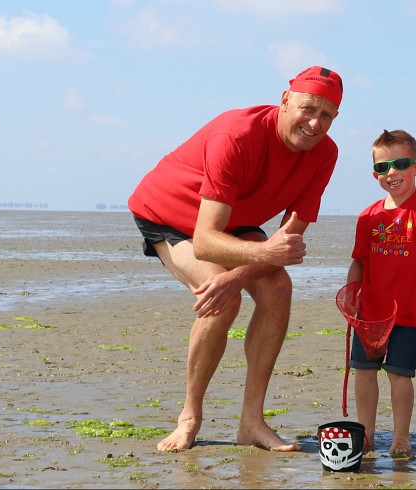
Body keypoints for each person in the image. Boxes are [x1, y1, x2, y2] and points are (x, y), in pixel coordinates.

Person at [126, 66, 343, 452]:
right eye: (308, 108)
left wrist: (246, 270)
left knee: (278, 287)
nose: (314, 122)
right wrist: (248, 266)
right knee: (219, 296)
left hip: (237, 220)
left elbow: (288, 240)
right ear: (285, 100)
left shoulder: (325, 153)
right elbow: (207, 242)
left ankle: (252, 423)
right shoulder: (237, 135)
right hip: (171, 216)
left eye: (326, 115)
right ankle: (189, 418)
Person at [344, 130, 416, 458]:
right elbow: (359, 260)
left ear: (415, 167)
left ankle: (401, 436)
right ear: (375, 174)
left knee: (400, 376)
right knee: (364, 372)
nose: (392, 172)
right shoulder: (368, 215)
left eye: (400, 164)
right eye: (384, 166)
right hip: (371, 314)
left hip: (410, 313)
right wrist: (351, 293)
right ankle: (367, 433)